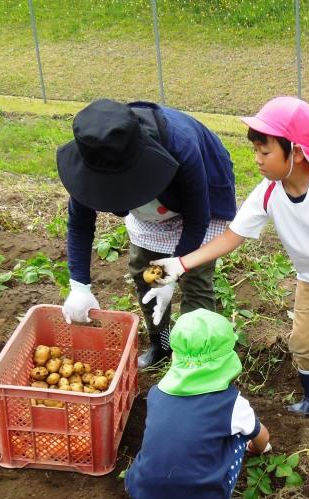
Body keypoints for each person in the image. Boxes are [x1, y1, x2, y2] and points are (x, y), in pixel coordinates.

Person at [149, 96, 309, 435]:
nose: (257, 160)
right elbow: (233, 235)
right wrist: (179, 264)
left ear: (295, 152)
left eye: (265, 152)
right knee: (301, 342)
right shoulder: (268, 191)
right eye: (256, 151)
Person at [56, 98, 236, 367]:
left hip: (196, 203)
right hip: (153, 207)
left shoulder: (181, 146)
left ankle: (194, 360)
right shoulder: (94, 159)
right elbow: (80, 222)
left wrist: (173, 272)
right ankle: (161, 344)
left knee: (195, 280)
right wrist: (79, 286)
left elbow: (198, 218)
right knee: (144, 272)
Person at [124, 308, 270, 499]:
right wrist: (259, 448)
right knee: (242, 436)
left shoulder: (156, 393)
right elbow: (262, 437)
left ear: (176, 355)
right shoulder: (231, 404)